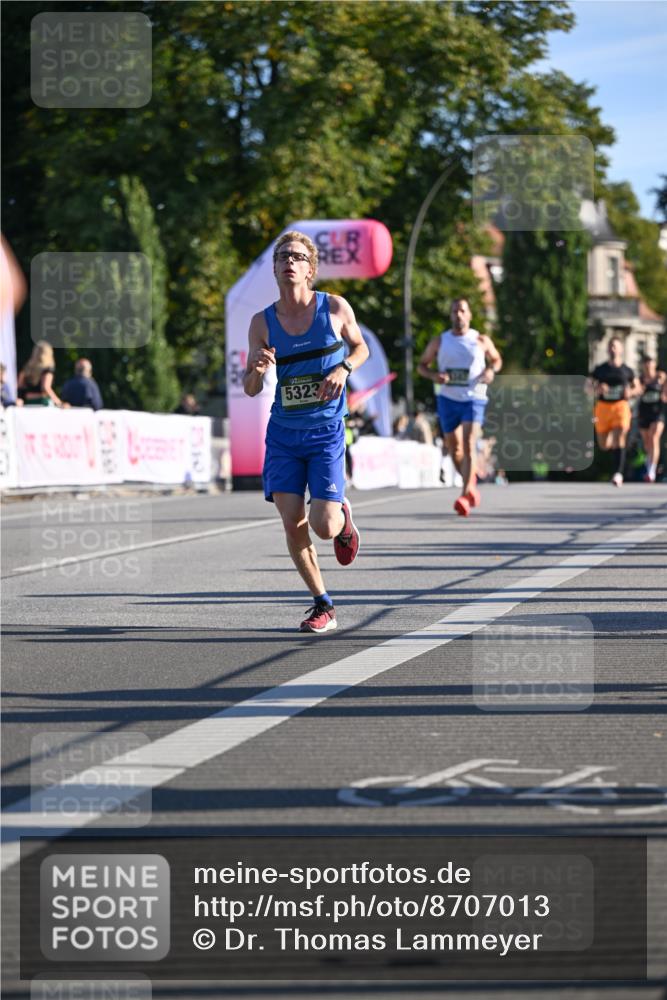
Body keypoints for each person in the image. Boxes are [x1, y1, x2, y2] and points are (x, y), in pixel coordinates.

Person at [243, 230, 369, 634]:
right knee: (291, 522)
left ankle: (343, 516)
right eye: (282, 256)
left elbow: (360, 348)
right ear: (276, 268)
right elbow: (249, 387)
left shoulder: (333, 307)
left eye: (297, 256)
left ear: (310, 269)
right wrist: (258, 371)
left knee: (324, 526)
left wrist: (343, 368)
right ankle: (323, 604)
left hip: (325, 431)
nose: (288, 261)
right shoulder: (261, 323)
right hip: (283, 434)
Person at [417, 296, 502, 516]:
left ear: (470, 314)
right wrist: (434, 375)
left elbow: (496, 360)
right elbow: (421, 366)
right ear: (451, 315)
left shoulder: (481, 339)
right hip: (448, 398)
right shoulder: (440, 341)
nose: (459, 315)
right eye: (455, 311)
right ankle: (470, 483)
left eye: (463, 311)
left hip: (475, 396)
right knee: (454, 449)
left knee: (469, 442)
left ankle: (465, 494)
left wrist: (491, 371)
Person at [590, 337, 639, 486]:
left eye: (615, 346)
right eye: (611, 346)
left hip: (620, 407)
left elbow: (638, 388)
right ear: (607, 349)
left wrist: (629, 392)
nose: (613, 349)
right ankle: (611, 436)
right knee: (604, 445)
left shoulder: (627, 371)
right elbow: (587, 387)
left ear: (621, 350)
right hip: (603, 408)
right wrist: (597, 389)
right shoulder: (600, 369)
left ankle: (618, 473)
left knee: (620, 436)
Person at [636, 356, 666, 482]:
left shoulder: (661, 376)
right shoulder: (640, 379)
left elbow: (665, 395)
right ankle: (650, 465)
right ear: (643, 366)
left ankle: (651, 471)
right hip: (644, 413)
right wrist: (639, 389)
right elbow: (636, 391)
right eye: (646, 363)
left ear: (654, 364)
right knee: (647, 444)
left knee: (654, 437)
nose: (648, 366)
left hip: (658, 413)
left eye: (650, 363)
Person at [17, 341, 66, 407]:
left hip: (27, 401)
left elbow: (20, 386)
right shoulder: (47, 370)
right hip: (41, 402)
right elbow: (46, 387)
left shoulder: (27, 368)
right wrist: (58, 402)